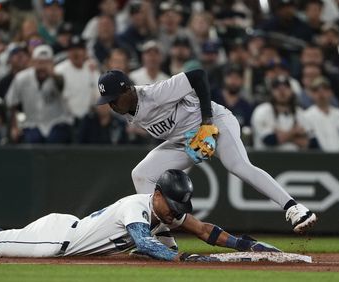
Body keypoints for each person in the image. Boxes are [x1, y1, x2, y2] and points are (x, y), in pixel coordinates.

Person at [95, 69, 317, 239]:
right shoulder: (128, 109)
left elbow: (199, 76)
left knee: (237, 165)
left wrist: (207, 121)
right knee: (142, 174)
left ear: (128, 90)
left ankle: (295, 208)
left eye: (114, 98)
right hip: (185, 140)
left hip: (216, 124)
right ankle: (162, 237)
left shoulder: (155, 93)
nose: (111, 105)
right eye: (108, 101)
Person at [0, 169, 280, 260]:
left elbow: (207, 230)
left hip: (64, 232)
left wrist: (252, 245)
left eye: (179, 208)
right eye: (172, 205)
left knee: (6, 237)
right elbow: (142, 243)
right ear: (158, 194)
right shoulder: (138, 205)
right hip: (59, 242)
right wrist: (181, 256)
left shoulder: (165, 211)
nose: (176, 213)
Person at [5, 44, 73, 144]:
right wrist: (14, 127)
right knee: (31, 141)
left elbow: (62, 86)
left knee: (55, 140)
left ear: (52, 63)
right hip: (32, 123)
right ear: (32, 62)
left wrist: (52, 74)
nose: (42, 67)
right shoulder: (22, 78)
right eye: (39, 62)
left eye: (46, 63)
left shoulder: (60, 76)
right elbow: (11, 103)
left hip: (57, 122)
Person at [251, 75, 312, 151]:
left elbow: (309, 142)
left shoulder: (299, 112)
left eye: (286, 87)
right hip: (267, 159)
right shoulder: (262, 110)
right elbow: (269, 140)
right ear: (271, 91)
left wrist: (282, 135)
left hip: (295, 159)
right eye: (277, 88)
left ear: (292, 91)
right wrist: (294, 132)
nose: (282, 91)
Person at [303, 76, 339, 152]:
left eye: (325, 89)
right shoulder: (306, 116)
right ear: (311, 94)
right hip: (319, 159)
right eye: (316, 90)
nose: (321, 93)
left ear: (331, 92)